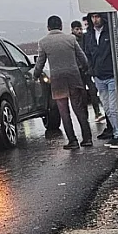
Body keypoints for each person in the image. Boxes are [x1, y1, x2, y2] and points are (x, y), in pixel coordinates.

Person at [33, 16, 92, 148]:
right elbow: (82, 58)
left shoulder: (43, 42)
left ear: (48, 28)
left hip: (58, 81)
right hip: (74, 78)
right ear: (61, 26)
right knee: (79, 109)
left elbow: (40, 63)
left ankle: (73, 141)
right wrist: (85, 69)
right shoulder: (70, 39)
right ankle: (87, 138)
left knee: (64, 112)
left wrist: (35, 75)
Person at [83, 12, 118, 148]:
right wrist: (92, 71)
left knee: (113, 108)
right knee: (107, 108)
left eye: (97, 17)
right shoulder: (89, 36)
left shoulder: (112, 33)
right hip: (99, 77)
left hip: (112, 76)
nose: (95, 20)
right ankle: (116, 132)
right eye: (93, 17)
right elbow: (87, 55)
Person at [72, 19, 104, 123]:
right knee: (82, 95)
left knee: (93, 91)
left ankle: (97, 112)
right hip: (78, 72)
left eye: (80, 28)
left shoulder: (85, 38)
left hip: (87, 69)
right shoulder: (71, 41)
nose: (80, 31)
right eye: (77, 29)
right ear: (72, 30)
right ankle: (84, 116)